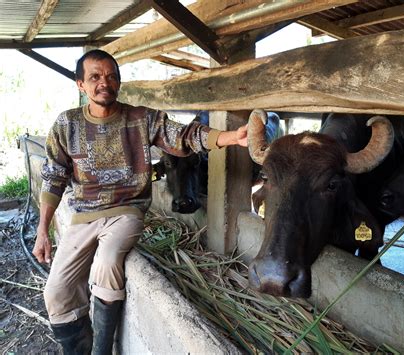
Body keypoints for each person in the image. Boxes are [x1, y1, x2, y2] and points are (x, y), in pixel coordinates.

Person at [32, 49, 248, 354]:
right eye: (94, 76)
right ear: (81, 84)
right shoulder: (66, 125)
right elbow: (54, 177)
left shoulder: (142, 119)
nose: (103, 82)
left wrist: (229, 137)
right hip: (83, 217)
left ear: (119, 82)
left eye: (111, 76)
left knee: (107, 263)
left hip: (126, 212)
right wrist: (43, 230)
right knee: (56, 291)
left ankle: (102, 350)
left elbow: (183, 136)